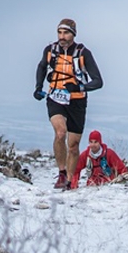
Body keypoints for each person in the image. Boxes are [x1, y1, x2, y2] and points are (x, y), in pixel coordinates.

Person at [35, 18, 103, 190]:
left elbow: (98, 81)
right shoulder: (50, 50)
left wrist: (79, 86)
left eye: (66, 33)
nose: (62, 36)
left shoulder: (83, 53)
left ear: (73, 34)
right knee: (60, 133)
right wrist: (38, 87)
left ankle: (70, 181)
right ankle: (62, 173)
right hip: (55, 96)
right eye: (59, 32)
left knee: (73, 146)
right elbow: (42, 67)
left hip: (77, 101)